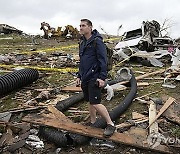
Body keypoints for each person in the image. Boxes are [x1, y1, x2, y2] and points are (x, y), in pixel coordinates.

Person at [76, 19, 116, 137]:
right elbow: (82, 61)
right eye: (80, 25)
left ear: (90, 27)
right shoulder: (82, 42)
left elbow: (103, 60)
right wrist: (79, 75)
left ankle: (110, 124)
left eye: (83, 26)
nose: (81, 28)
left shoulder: (97, 41)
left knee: (95, 102)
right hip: (85, 76)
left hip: (94, 76)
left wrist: (102, 77)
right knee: (90, 101)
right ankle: (93, 121)